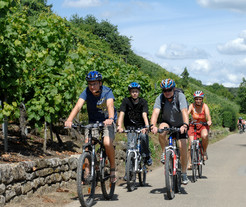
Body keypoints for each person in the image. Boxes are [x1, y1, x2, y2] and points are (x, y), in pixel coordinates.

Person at [64, 71, 117, 183]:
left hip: (107, 121)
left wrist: (111, 118)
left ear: (100, 83)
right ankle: (88, 170)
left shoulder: (107, 91)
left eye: (94, 84)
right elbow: (78, 106)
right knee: (88, 143)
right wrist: (69, 120)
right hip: (93, 122)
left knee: (107, 142)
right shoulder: (86, 92)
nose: (92, 86)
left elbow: (110, 105)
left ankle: (112, 168)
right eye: (90, 84)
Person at [150, 79, 189, 185]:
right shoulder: (161, 98)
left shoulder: (180, 96)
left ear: (174, 89)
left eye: (169, 90)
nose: (167, 92)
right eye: (164, 90)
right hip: (167, 122)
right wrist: (152, 126)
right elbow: (155, 112)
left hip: (181, 124)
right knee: (161, 131)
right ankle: (164, 152)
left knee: (183, 147)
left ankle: (184, 173)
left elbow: (184, 111)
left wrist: (185, 125)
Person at [117, 82, 152, 180]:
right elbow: (122, 114)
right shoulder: (126, 101)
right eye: (132, 92)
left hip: (141, 127)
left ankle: (146, 156)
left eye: (136, 91)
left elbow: (144, 114)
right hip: (130, 128)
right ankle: (128, 172)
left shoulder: (143, 102)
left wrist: (147, 126)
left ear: (139, 92)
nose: (134, 93)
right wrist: (119, 126)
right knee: (130, 148)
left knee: (144, 137)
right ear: (130, 92)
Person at [187, 91, 212, 169]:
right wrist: (185, 121)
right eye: (196, 99)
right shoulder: (192, 106)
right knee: (190, 145)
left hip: (203, 125)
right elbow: (187, 114)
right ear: (194, 99)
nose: (198, 100)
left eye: (200, 99)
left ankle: (204, 152)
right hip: (192, 126)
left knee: (205, 136)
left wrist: (209, 121)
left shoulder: (205, 106)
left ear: (202, 99)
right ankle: (190, 163)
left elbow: (208, 115)